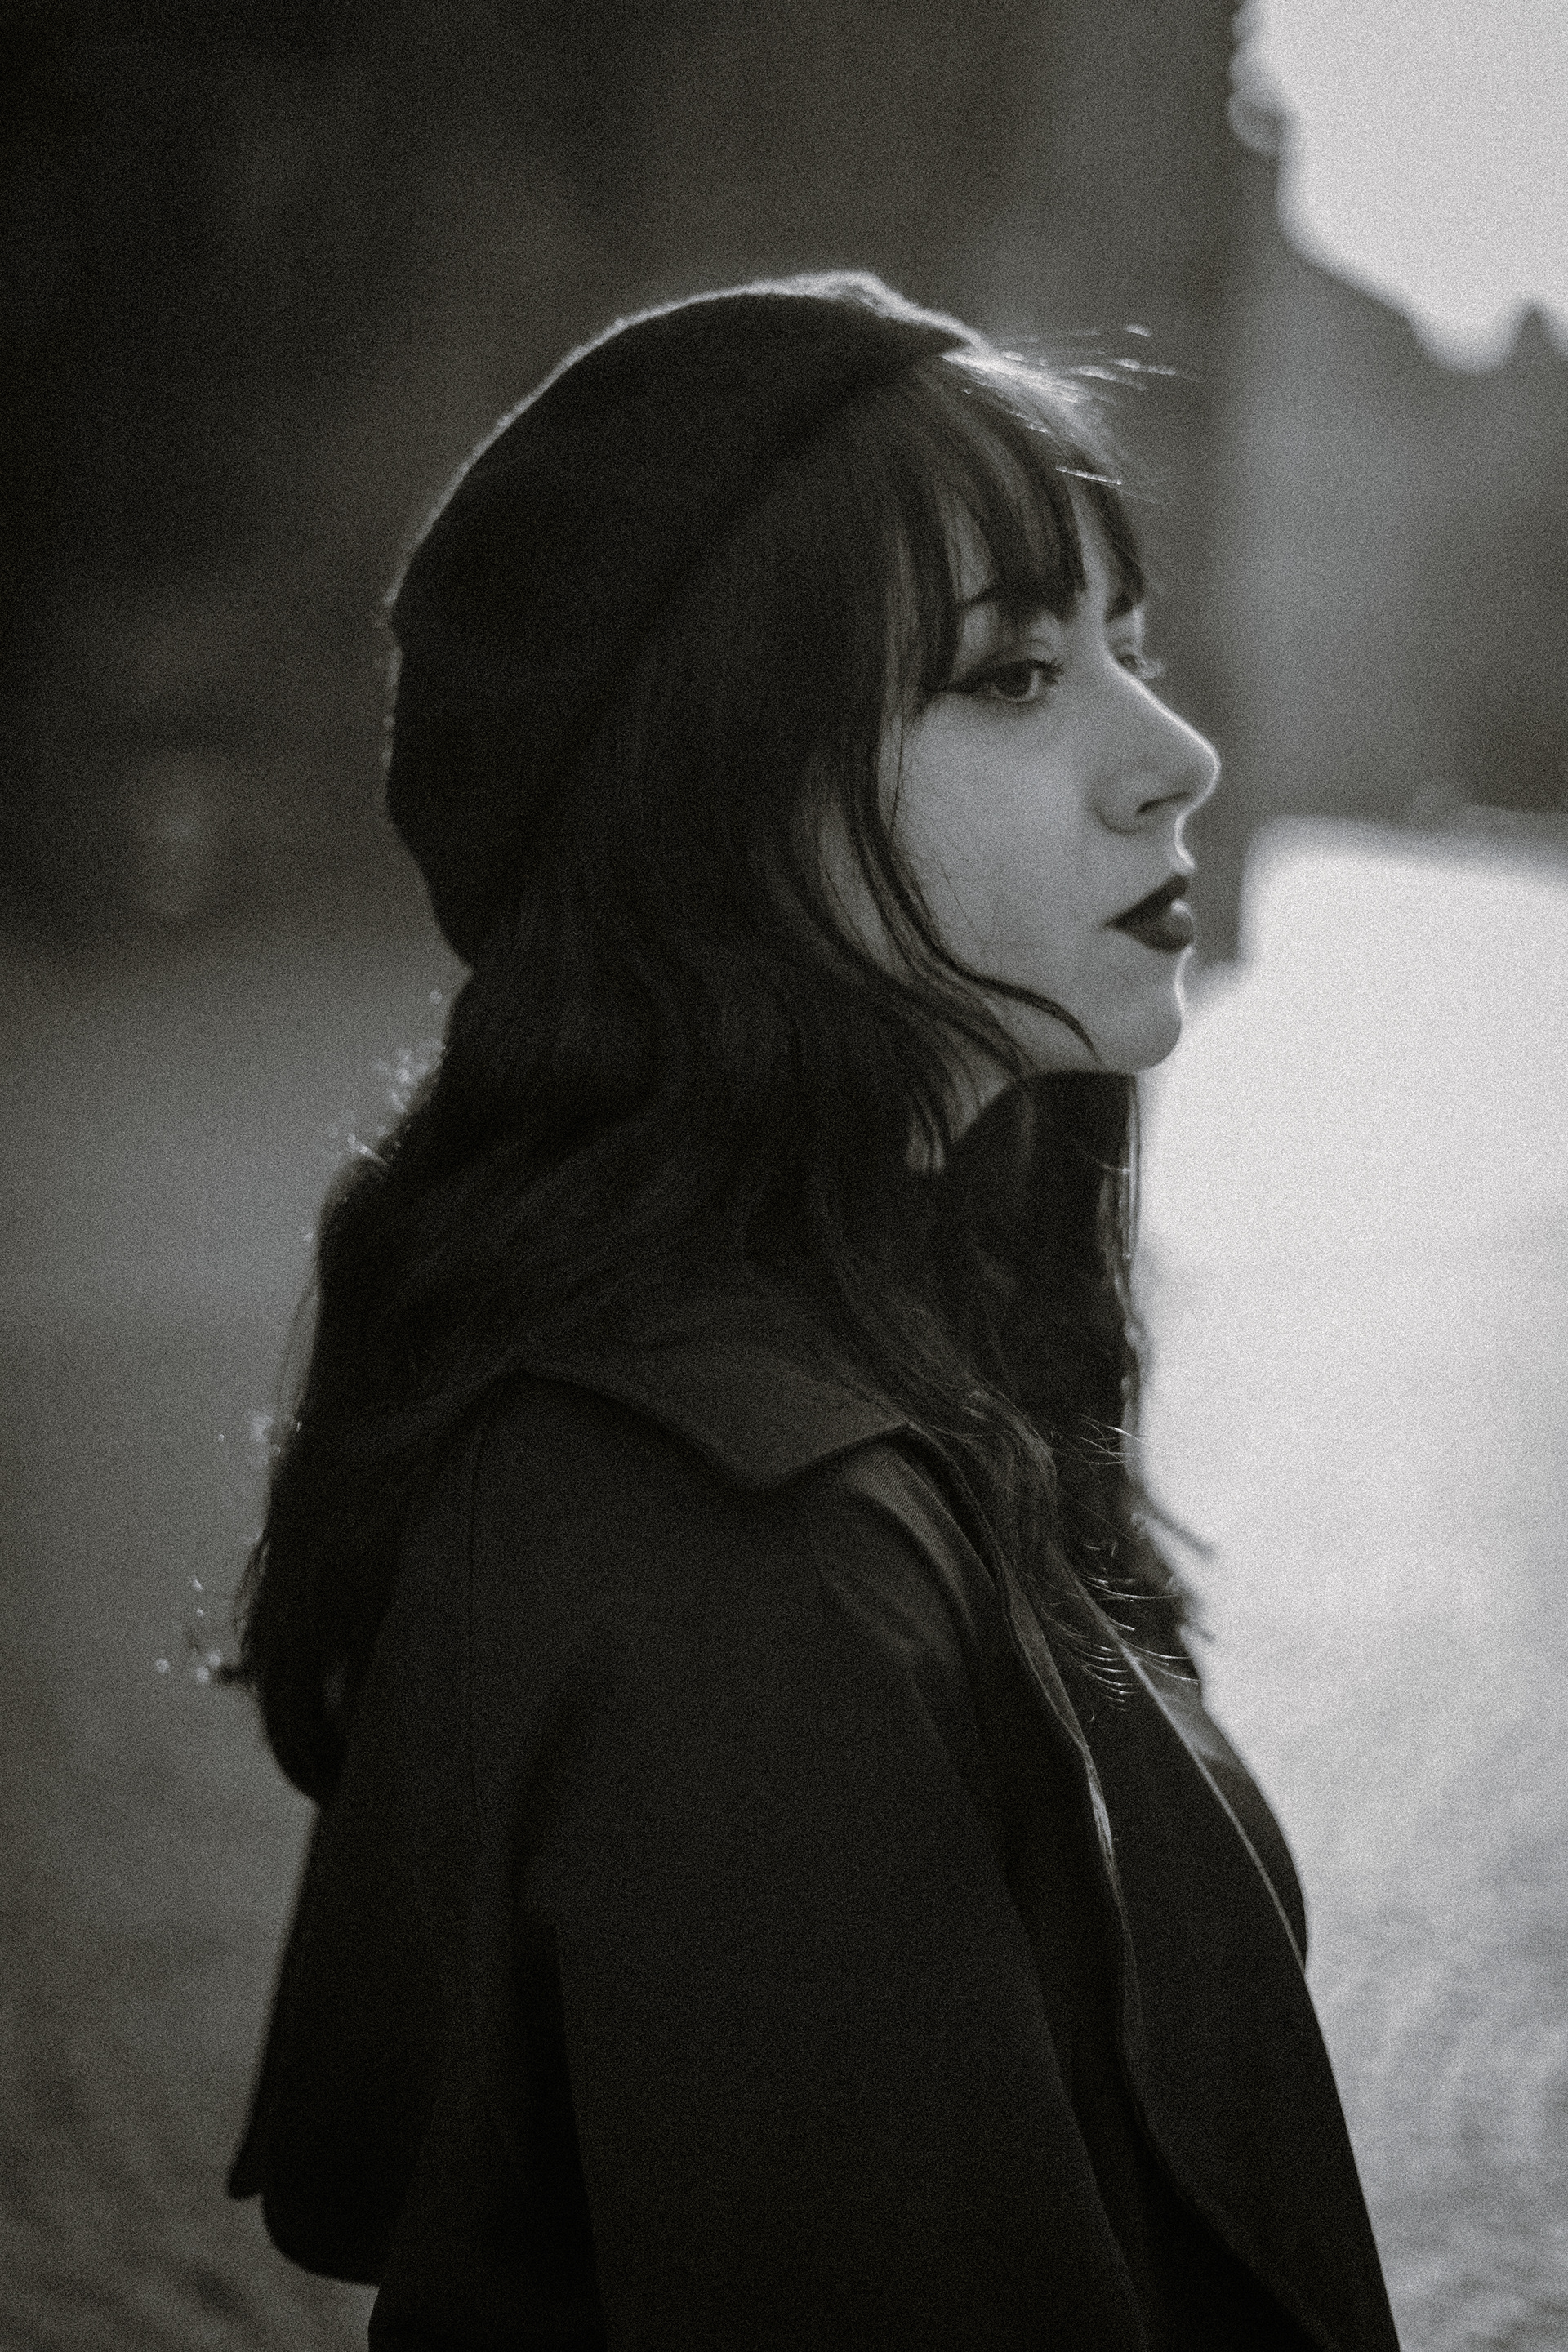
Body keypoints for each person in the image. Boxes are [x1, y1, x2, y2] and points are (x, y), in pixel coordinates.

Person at [225, 274, 1401, 2350]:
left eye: (1129, 648)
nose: (1176, 757)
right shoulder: (730, 1566)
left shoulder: (901, 1356)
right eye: (1014, 675)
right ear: (718, 809)